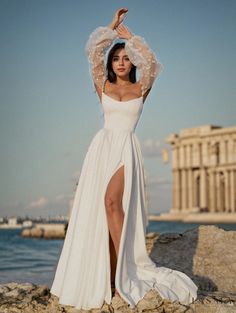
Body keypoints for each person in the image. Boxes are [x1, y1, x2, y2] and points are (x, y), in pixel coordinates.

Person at [50, 8, 198, 310]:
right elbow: (93, 53)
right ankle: (108, 276)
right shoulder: (102, 85)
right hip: (102, 148)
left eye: (126, 58)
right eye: (116, 59)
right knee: (102, 213)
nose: (120, 63)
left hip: (126, 149)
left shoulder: (140, 88)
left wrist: (132, 40)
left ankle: (124, 273)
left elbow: (153, 64)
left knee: (111, 203)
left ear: (132, 62)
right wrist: (111, 27)